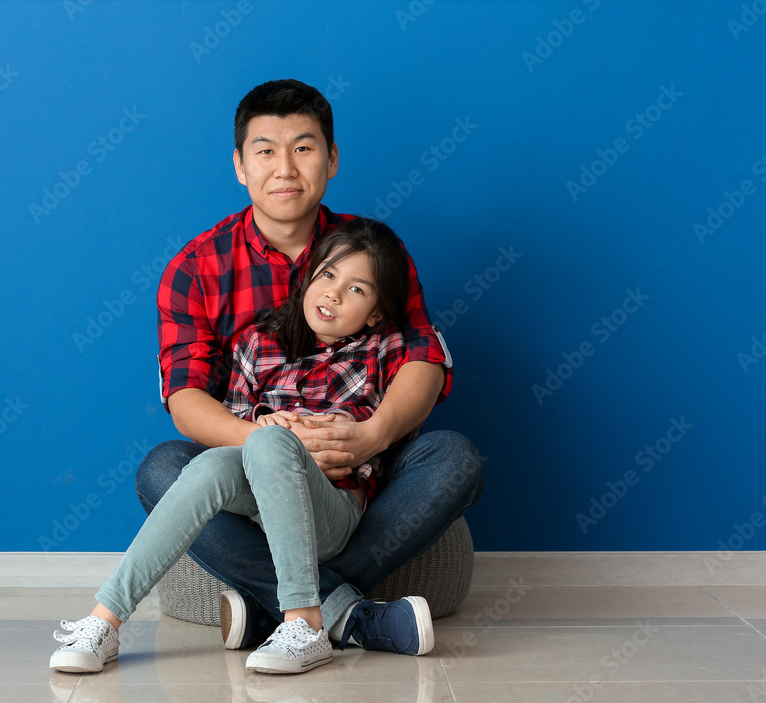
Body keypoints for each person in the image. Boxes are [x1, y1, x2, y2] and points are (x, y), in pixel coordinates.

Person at [138, 79, 484, 656]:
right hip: (251, 467)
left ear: (331, 158)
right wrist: (267, 443)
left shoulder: (373, 251)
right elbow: (185, 398)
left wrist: (370, 436)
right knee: (162, 469)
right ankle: (347, 613)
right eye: (266, 151)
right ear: (240, 165)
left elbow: (425, 358)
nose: (285, 169)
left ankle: (274, 609)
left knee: (455, 459)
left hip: (362, 475)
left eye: (303, 148)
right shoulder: (195, 268)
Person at [50, 219, 430, 674]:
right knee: (211, 465)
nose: (333, 294)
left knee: (275, 443)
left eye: (356, 290)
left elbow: (422, 384)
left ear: (374, 313)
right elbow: (232, 421)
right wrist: (263, 426)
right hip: (260, 498)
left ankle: (305, 623)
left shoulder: (384, 349)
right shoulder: (258, 342)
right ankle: (104, 621)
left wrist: (355, 435)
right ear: (309, 277)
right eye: (328, 276)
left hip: (333, 507)